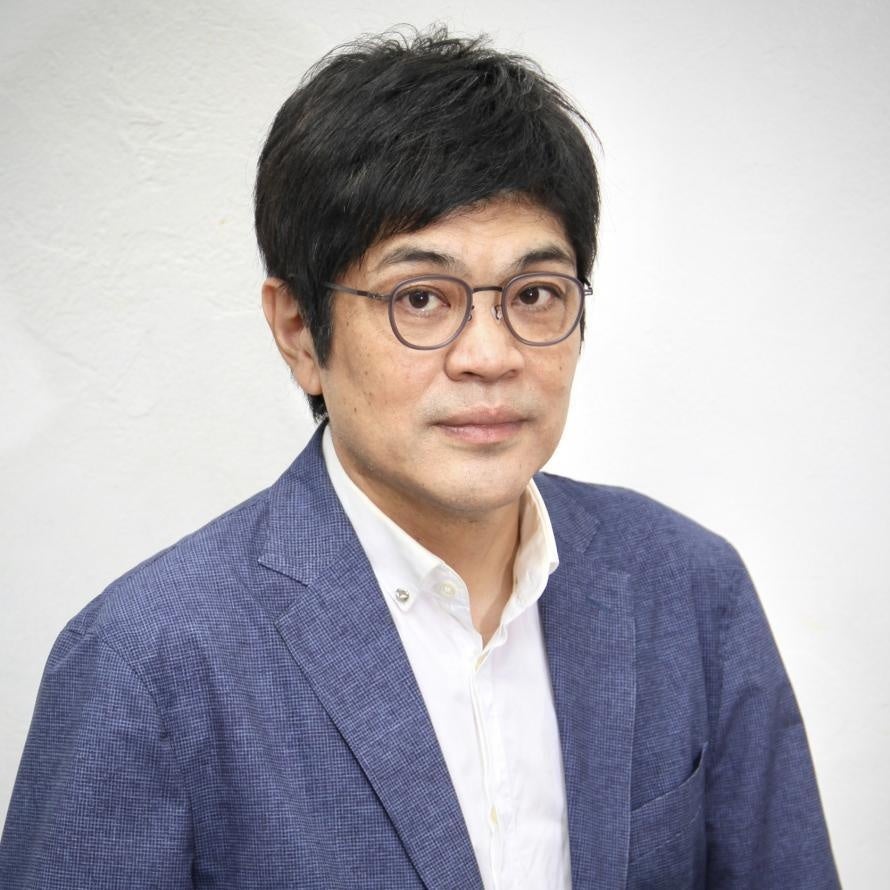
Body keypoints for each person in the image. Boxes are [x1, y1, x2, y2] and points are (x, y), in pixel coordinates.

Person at [0, 27, 839, 890]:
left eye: (535, 294)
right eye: (422, 298)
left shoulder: (689, 588)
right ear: (300, 332)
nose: (491, 355)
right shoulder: (146, 662)